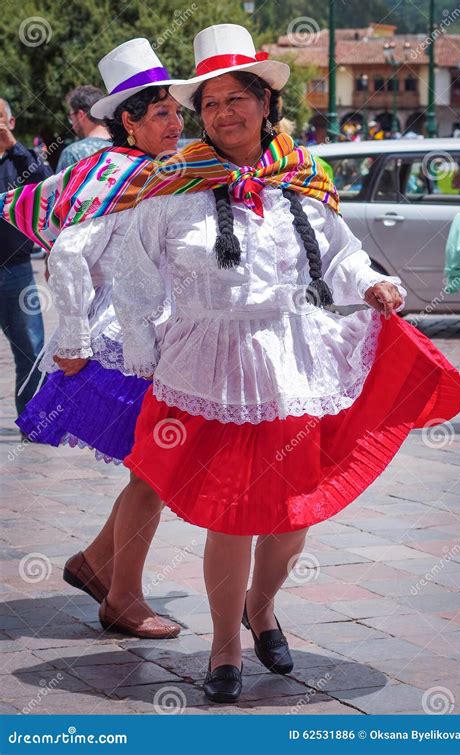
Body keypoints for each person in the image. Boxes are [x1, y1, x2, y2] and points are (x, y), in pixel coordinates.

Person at [111, 24, 460, 704]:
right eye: (210, 102)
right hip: (209, 371)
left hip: (290, 362)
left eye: (236, 98)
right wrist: (142, 342)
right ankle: (224, 649)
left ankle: (262, 604)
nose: (223, 113)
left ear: (265, 103)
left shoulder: (301, 177)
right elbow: (131, 276)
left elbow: (340, 252)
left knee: (292, 516)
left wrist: (372, 284)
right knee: (232, 514)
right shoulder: (170, 184)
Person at [14, 39, 185, 639]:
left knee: (155, 468)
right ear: (128, 123)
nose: (174, 121)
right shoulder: (114, 175)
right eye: (159, 112)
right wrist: (75, 336)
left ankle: (96, 564)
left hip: (161, 343)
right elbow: (68, 254)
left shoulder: (162, 171)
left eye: (175, 110)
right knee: (156, 469)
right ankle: (122, 597)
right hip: (122, 346)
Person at [0, 97, 52, 418]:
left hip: (15, 270)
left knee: (31, 350)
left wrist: (14, 147)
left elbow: (48, 186)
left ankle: (32, 421)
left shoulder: (22, 161)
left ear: (11, 122)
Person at [56, 86, 112, 171]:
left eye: (71, 117)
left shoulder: (72, 153)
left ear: (81, 115)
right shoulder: (125, 145)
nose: (72, 125)